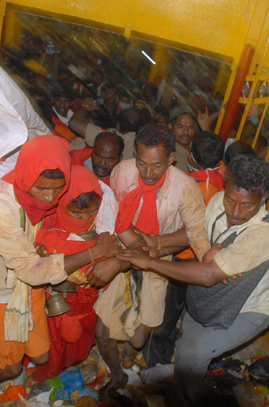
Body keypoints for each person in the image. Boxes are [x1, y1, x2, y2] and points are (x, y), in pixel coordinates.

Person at [119, 154, 269, 406]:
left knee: (192, 354)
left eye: (247, 205)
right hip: (209, 298)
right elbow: (197, 236)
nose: (236, 212)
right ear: (225, 188)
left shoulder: (264, 234)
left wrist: (152, 262)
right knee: (187, 348)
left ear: (263, 199)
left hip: (247, 310)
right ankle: (180, 386)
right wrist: (207, 251)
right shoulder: (218, 203)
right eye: (231, 200)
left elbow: (209, 275)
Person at [0, 136, 120, 402]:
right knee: (10, 367)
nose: (49, 198)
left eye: (57, 190)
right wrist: (95, 251)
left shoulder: (44, 199)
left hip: (28, 289)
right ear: (25, 176)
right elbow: (31, 269)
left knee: (41, 355)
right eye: (41, 188)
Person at [92, 124, 211, 400]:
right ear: (134, 153)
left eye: (156, 165)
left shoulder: (185, 187)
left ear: (171, 159)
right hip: (126, 249)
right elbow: (114, 215)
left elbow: (194, 234)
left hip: (160, 257)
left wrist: (203, 257)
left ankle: (129, 350)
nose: (147, 173)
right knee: (102, 329)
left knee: (137, 339)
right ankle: (118, 374)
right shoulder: (122, 172)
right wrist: (135, 245)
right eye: (142, 163)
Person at [141, 130, 225, 368]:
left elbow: (190, 232)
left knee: (166, 314)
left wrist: (155, 241)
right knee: (197, 313)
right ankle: (198, 360)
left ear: (189, 157)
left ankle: (156, 362)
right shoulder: (223, 179)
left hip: (185, 257)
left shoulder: (190, 186)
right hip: (208, 260)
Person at [32, 165, 120, 380]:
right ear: (63, 202)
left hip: (85, 302)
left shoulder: (103, 223)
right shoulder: (48, 219)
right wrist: (96, 251)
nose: (83, 219)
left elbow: (114, 255)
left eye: (91, 211)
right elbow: (47, 266)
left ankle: (71, 362)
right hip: (54, 301)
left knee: (79, 342)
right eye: (76, 212)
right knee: (52, 345)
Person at [168, 105, 197, 172]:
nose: (186, 132)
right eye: (180, 127)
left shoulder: (198, 148)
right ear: (170, 126)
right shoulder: (167, 153)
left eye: (190, 127)